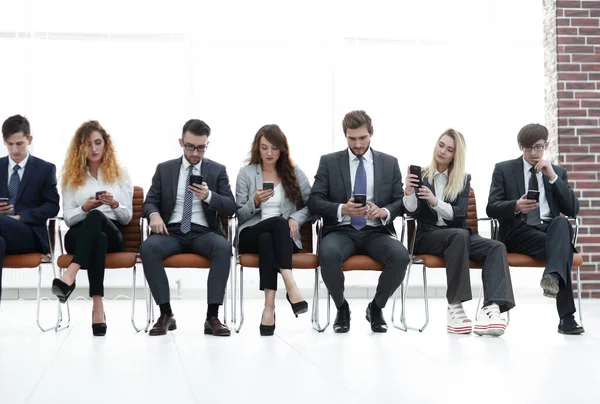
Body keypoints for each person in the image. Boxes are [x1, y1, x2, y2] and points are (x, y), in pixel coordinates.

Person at [403, 129, 515, 336]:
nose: (443, 151)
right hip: (427, 236)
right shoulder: (422, 176)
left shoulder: (463, 179)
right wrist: (409, 193)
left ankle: (491, 309)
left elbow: (460, 213)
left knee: (496, 247)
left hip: (459, 234)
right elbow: (410, 212)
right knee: (459, 235)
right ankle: (455, 306)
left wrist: (435, 202)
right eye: (441, 145)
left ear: (457, 155)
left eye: (450, 149)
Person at [307, 110, 409, 333]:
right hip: (341, 229)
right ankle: (342, 308)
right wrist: (342, 208)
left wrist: (384, 211)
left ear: (371, 133)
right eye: (352, 139)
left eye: (363, 138)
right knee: (328, 254)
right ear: (345, 136)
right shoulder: (329, 162)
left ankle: (376, 307)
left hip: (376, 231)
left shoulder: (390, 163)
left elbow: (400, 201)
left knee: (401, 256)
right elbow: (314, 201)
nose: (358, 144)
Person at [140, 119, 236, 337]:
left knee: (223, 247)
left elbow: (231, 206)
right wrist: (154, 214)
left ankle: (212, 317)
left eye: (201, 147)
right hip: (171, 231)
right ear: (181, 142)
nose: (195, 153)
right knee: (148, 248)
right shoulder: (165, 169)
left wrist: (209, 196)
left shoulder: (217, 170)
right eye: (191, 146)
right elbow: (149, 202)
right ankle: (166, 314)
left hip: (203, 232)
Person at [487, 123, 583, 334]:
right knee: (563, 248)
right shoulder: (504, 169)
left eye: (538, 147)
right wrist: (515, 205)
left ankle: (552, 277)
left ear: (546, 145)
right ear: (520, 146)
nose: (533, 152)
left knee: (561, 223)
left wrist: (553, 177)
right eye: (528, 147)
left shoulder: (557, 172)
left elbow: (573, 209)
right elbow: (491, 207)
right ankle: (567, 318)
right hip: (518, 232)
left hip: (549, 231)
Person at [51, 121, 133, 336]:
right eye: (88, 144)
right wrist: (84, 207)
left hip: (114, 231)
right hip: (79, 233)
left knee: (99, 221)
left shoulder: (120, 173)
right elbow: (68, 218)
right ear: (80, 148)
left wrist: (114, 204)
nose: (94, 149)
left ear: (106, 145)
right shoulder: (70, 176)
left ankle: (70, 274)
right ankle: (98, 307)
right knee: (98, 238)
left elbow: (126, 218)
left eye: (98, 143)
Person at [236, 124, 311, 336]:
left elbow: (313, 204)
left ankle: (268, 308)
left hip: (282, 240)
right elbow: (239, 214)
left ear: (282, 149)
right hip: (250, 233)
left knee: (269, 238)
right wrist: (255, 202)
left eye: (274, 148)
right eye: (264, 147)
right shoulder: (246, 173)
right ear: (257, 148)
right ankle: (291, 286)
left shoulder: (294, 173)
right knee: (278, 223)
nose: (269, 153)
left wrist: (296, 217)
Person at [0, 115, 60, 303]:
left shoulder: (44, 169)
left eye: (19, 144)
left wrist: (21, 217)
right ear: (4, 141)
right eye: (10, 144)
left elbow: (53, 206)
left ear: (29, 140)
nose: (15, 150)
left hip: (29, 235)